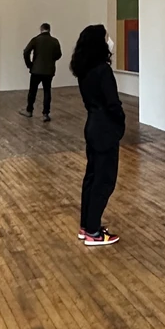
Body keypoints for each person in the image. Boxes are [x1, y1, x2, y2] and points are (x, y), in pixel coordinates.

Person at [70, 24, 124, 247]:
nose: (109, 41)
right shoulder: (103, 70)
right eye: (106, 37)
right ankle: (93, 232)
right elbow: (113, 103)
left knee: (92, 178)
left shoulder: (85, 69)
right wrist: (120, 123)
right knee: (104, 181)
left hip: (92, 126)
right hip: (105, 130)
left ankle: (87, 226)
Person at [23, 22, 62, 121]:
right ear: (49, 30)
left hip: (36, 70)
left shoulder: (36, 40)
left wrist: (30, 64)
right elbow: (58, 55)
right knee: (47, 91)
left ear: (41, 29)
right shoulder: (55, 41)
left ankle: (29, 110)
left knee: (32, 91)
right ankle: (45, 114)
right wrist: (51, 60)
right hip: (49, 71)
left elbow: (26, 52)